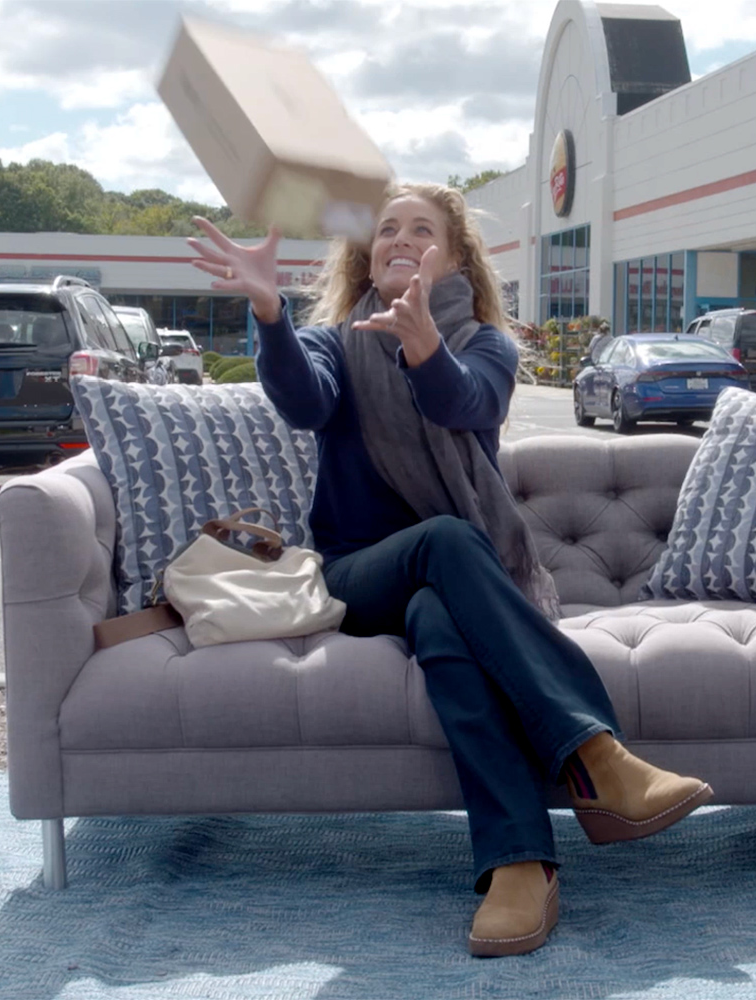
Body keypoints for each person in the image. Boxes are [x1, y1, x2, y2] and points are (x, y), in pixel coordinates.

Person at [187, 183, 712, 958]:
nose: (399, 238)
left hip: (456, 589)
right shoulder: (337, 339)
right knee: (444, 541)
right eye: (387, 228)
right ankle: (598, 757)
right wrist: (271, 314)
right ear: (368, 253)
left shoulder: (487, 346)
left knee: (441, 614)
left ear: (455, 255)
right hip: (358, 575)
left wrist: (425, 346)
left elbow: (465, 404)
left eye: (421, 229)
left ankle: (520, 866)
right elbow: (303, 402)